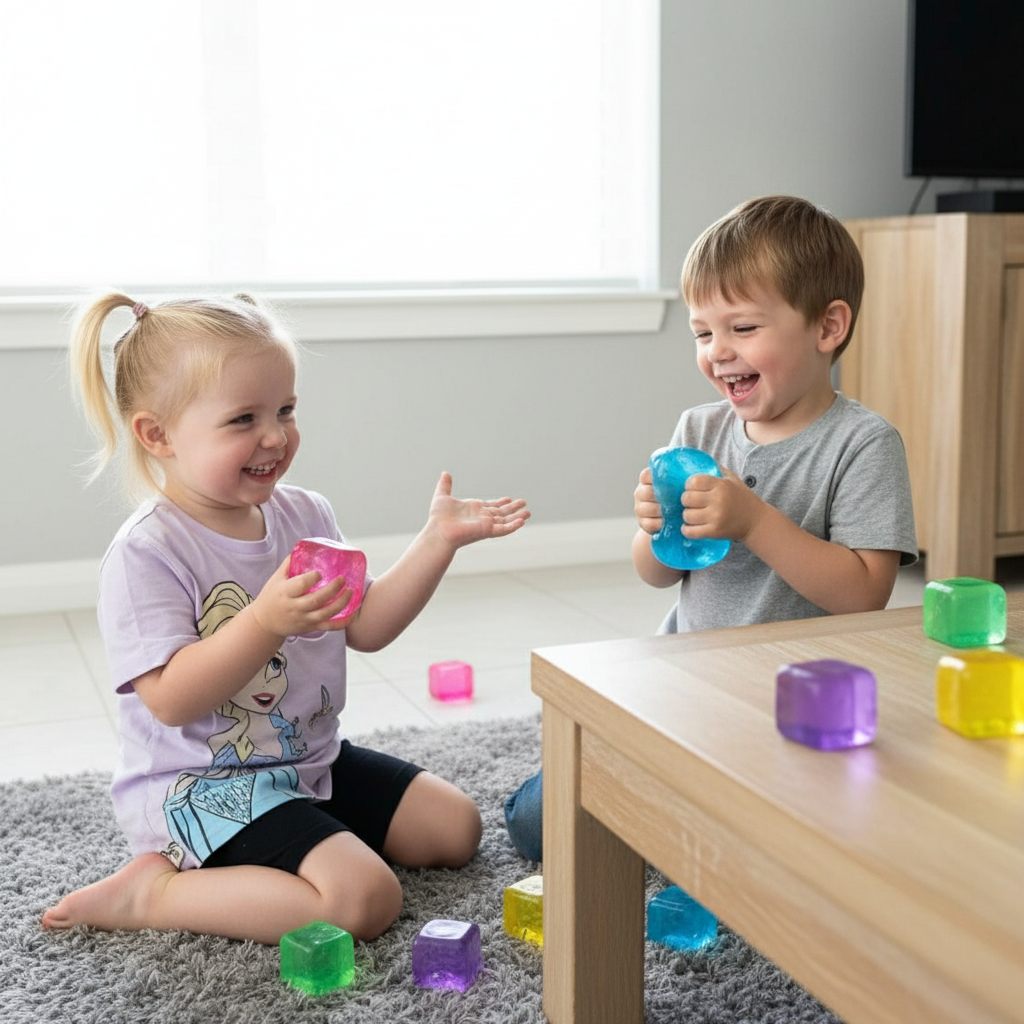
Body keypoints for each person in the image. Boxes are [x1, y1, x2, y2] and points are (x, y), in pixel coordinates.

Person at [42, 292, 530, 946]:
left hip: (306, 762)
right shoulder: (147, 553)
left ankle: (301, 842)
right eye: (243, 418)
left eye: (285, 410)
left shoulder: (306, 514)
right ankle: (154, 892)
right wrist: (265, 619)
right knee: (365, 899)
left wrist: (436, 541)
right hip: (203, 790)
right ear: (157, 435)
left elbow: (367, 627)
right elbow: (171, 700)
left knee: (454, 828)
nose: (274, 436)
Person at [504, 194, 917, 862]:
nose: (718, 352)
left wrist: (755, 521)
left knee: (825, 836)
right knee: (536, 822)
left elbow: (866, 594)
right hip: (690, 688)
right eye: (703, 333)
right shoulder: (699, 430)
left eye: (743, 328)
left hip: (801, 712)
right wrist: (651, 530)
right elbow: (657, 571)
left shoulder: (863, 445)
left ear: (827, 327)